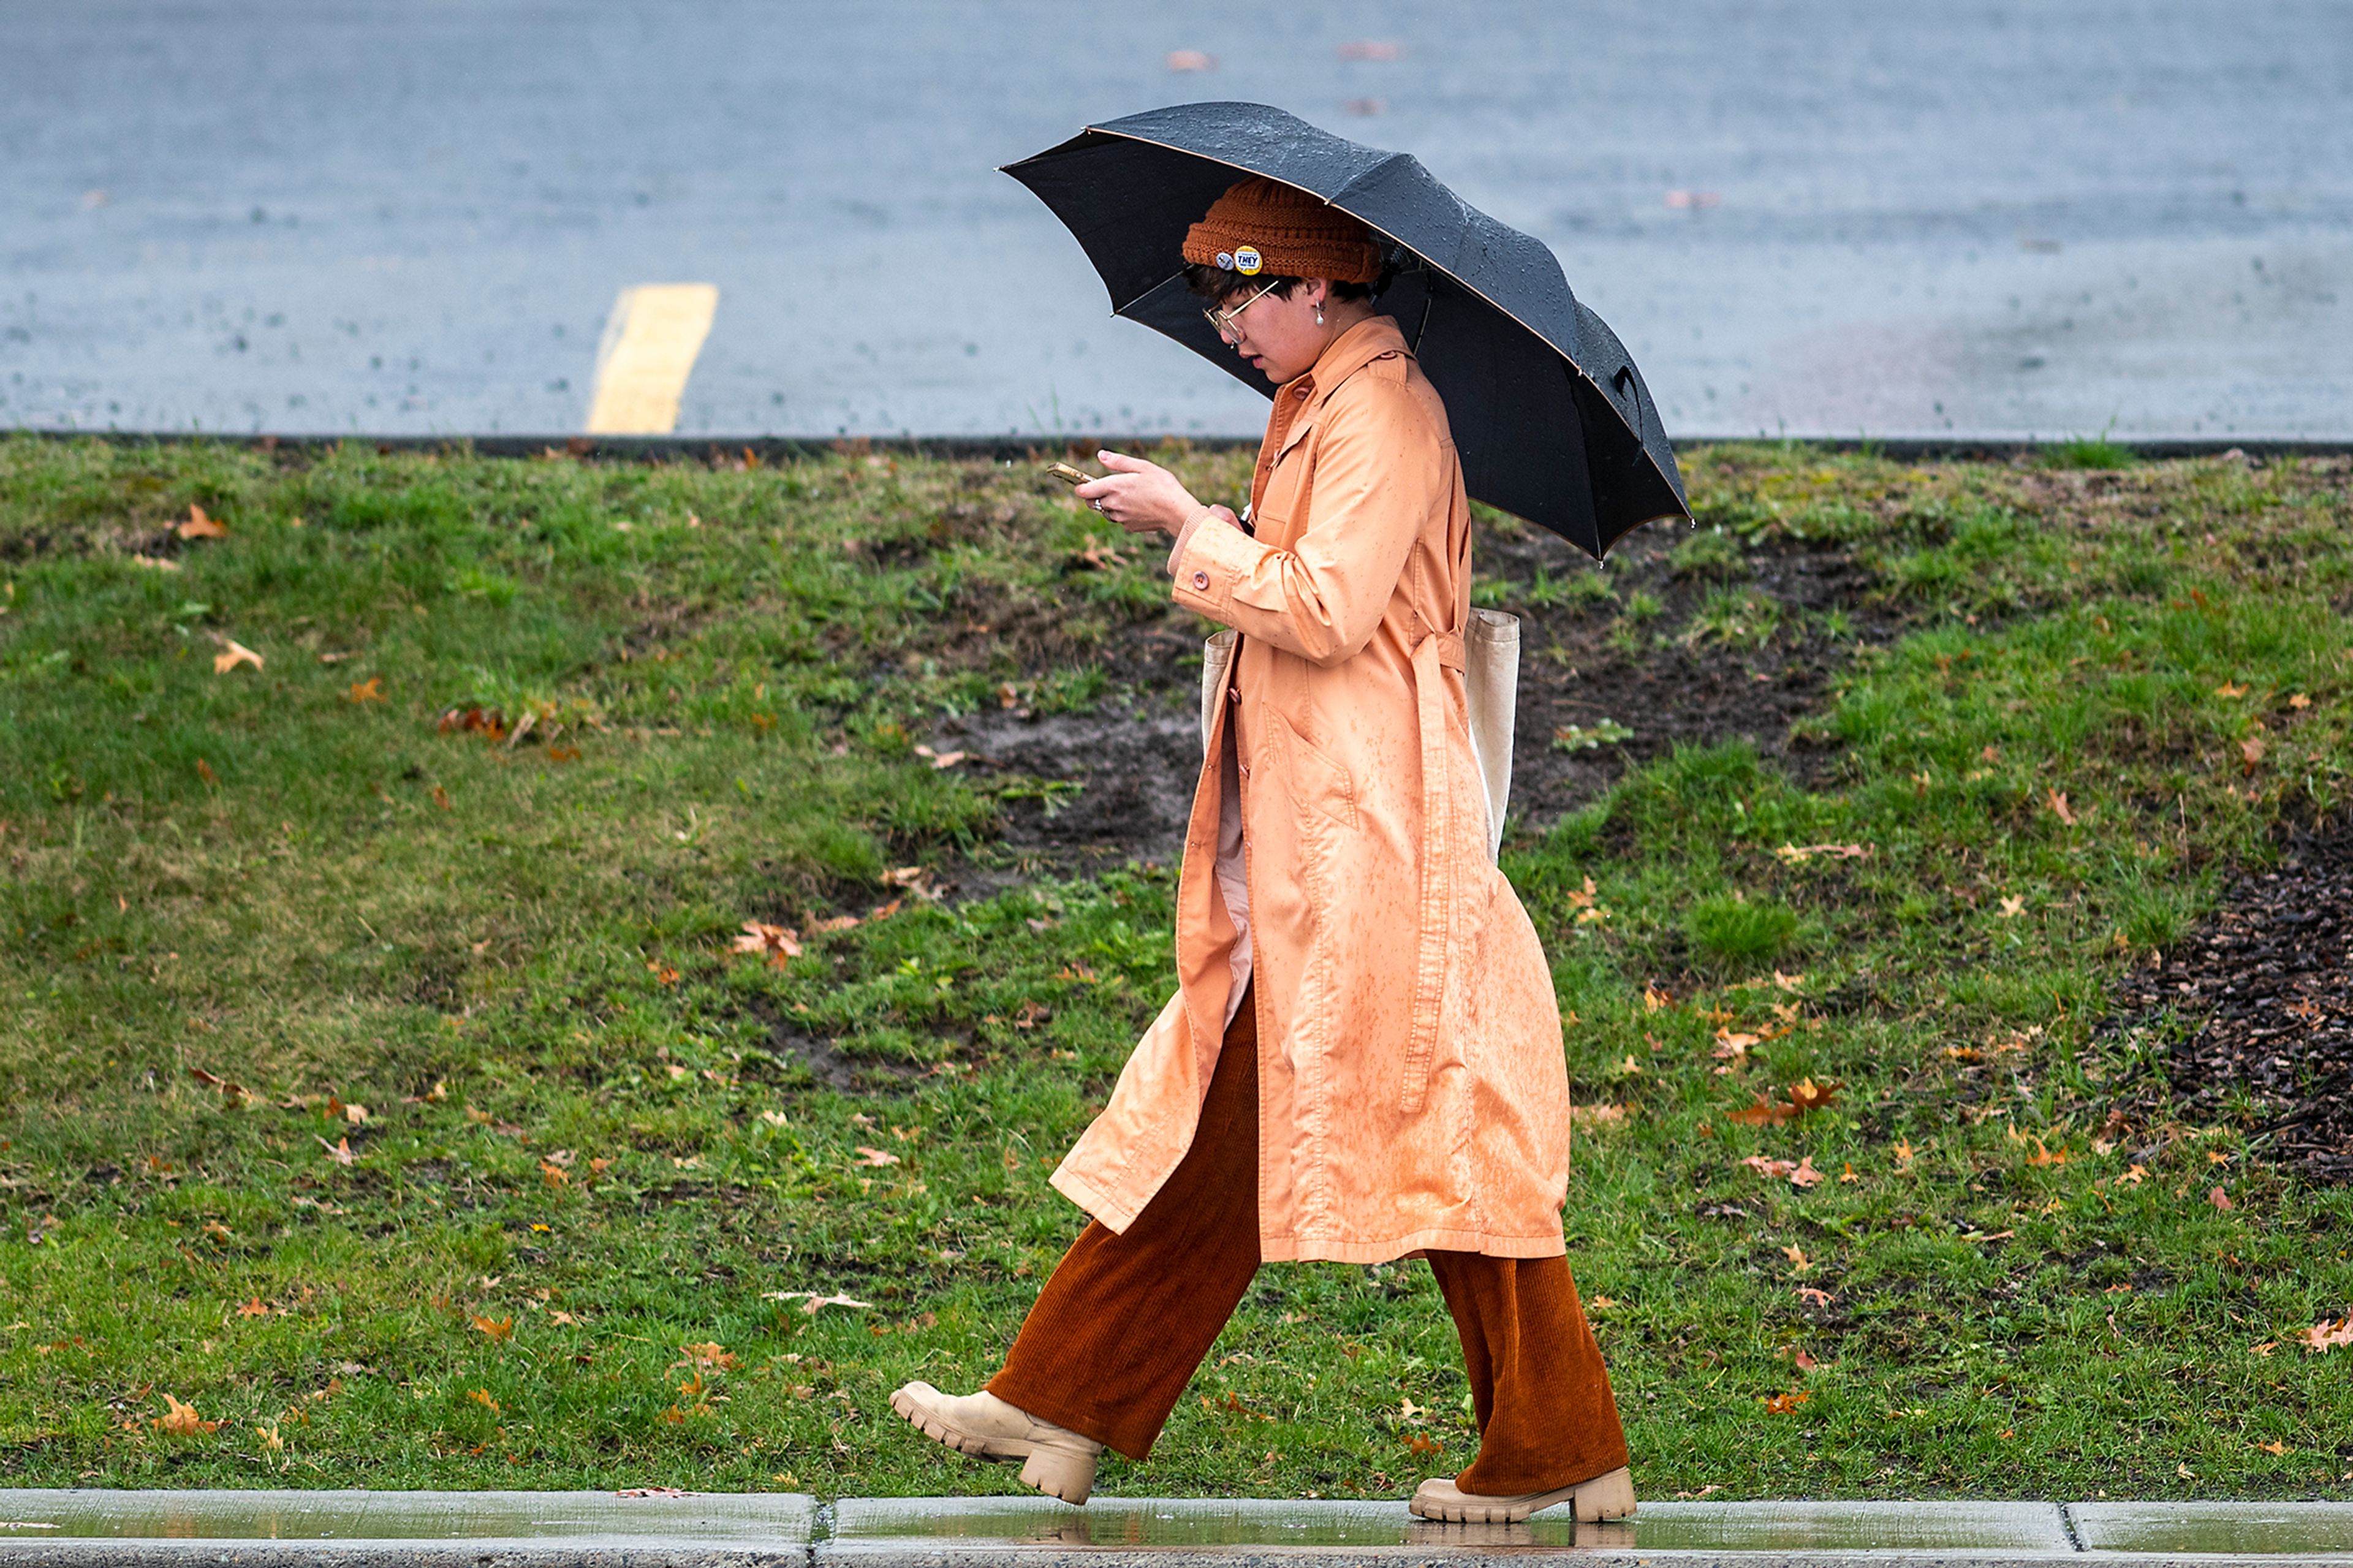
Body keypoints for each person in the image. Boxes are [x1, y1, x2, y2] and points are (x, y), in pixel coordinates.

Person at [889, 176, 1632, 1525]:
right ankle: (1063, 1396)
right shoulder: (1322, 404)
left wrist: (1193, 527)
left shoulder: (1382, 413)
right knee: (1224, 1125)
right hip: (1320, 843)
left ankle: (1560, 1442)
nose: (1227, 323)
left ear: (1313, 290)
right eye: (1220, 298)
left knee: (1452, 1130)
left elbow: (1331, 607)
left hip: (1375, 838)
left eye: (1243, 295)